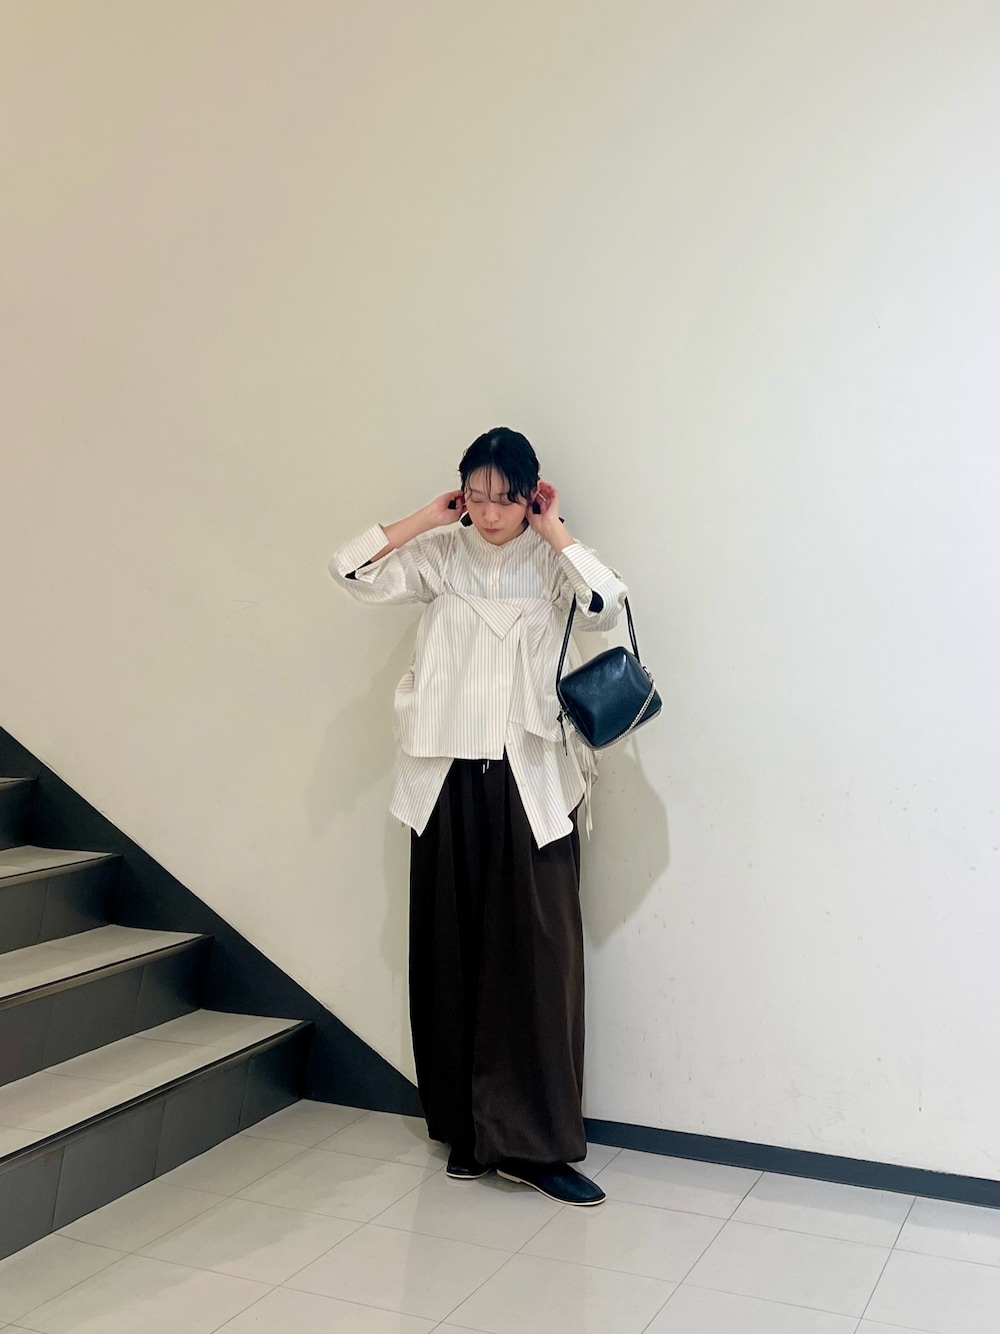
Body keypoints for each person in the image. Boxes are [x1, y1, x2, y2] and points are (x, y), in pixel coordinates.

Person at [328, 427, 627, 1206]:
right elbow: (348, 570)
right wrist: (426, 519)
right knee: (450, 954)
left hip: (534, 781)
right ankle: (466, 1130)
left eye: (507, 497)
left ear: (533, 496)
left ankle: (535, 1145)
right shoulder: (441, 557)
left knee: (538, 961)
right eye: (478, 495)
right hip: (445, 779)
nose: (491, 513)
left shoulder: (552, 563)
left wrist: (554, 532)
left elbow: (608, 606)